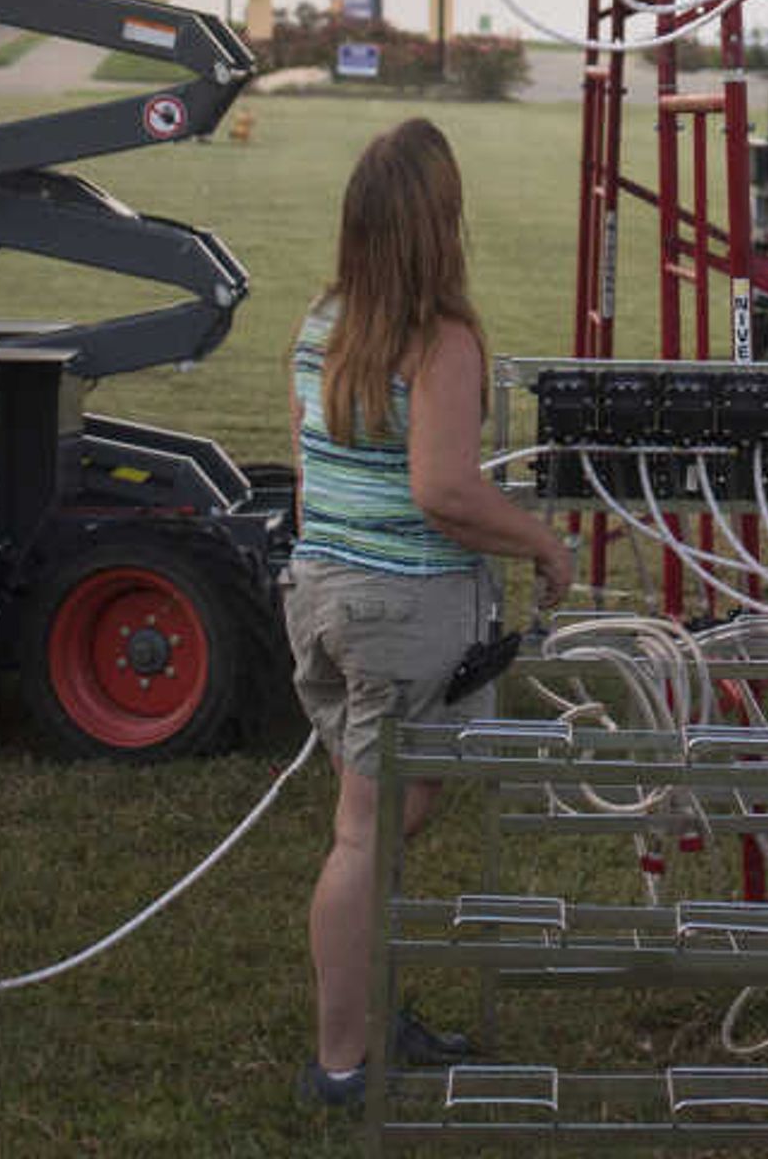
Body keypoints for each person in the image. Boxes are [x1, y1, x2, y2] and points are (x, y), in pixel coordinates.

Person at [284, 120, 578, 1113]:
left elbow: (308, 481)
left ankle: (366, 1022)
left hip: (321, 597)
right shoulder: (440, 341)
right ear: (439, 225)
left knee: (381, 818)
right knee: (369, 833)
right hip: (402, 608)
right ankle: (344, 1065)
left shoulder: (318, 323)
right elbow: (445, 491)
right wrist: (541, 541)